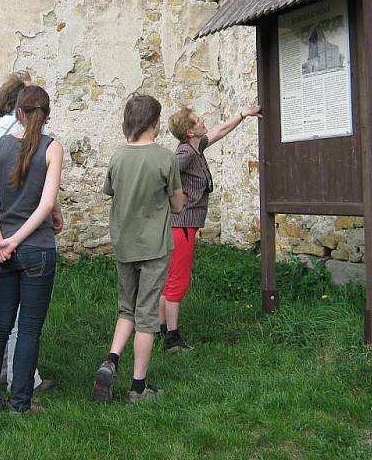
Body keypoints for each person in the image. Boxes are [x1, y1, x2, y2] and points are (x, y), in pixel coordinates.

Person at [92, 94, 184, 404]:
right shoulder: (165, 158)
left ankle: (111, 360)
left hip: (123, 244)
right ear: (155, 123)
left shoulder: (118, 157)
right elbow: (177, 203)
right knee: (146, 316)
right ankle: (138, 387)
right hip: (154, 247)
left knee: (125, 309)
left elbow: (111, 192)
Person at [0, 85, 63, 413]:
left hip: (4, 250)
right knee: (28, 327)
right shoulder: (52, 148)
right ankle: (21, 402)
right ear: (46, 114)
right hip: (36, 248)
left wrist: (1, 239)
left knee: (0, 322)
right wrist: (15, 240)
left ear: (19, 112)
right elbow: (45, 204)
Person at [160, 103, 262, 352]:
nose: (202, 120)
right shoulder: (184, 155)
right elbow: (160, 175)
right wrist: (174, 197)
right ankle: (172, 339)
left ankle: (160, 328)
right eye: (197, 120)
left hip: (184, 226)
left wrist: (242, 114)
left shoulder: (197, 146)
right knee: (178, 281)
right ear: (190, 132)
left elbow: (219, 131)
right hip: (180, 225)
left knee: (171, 280)